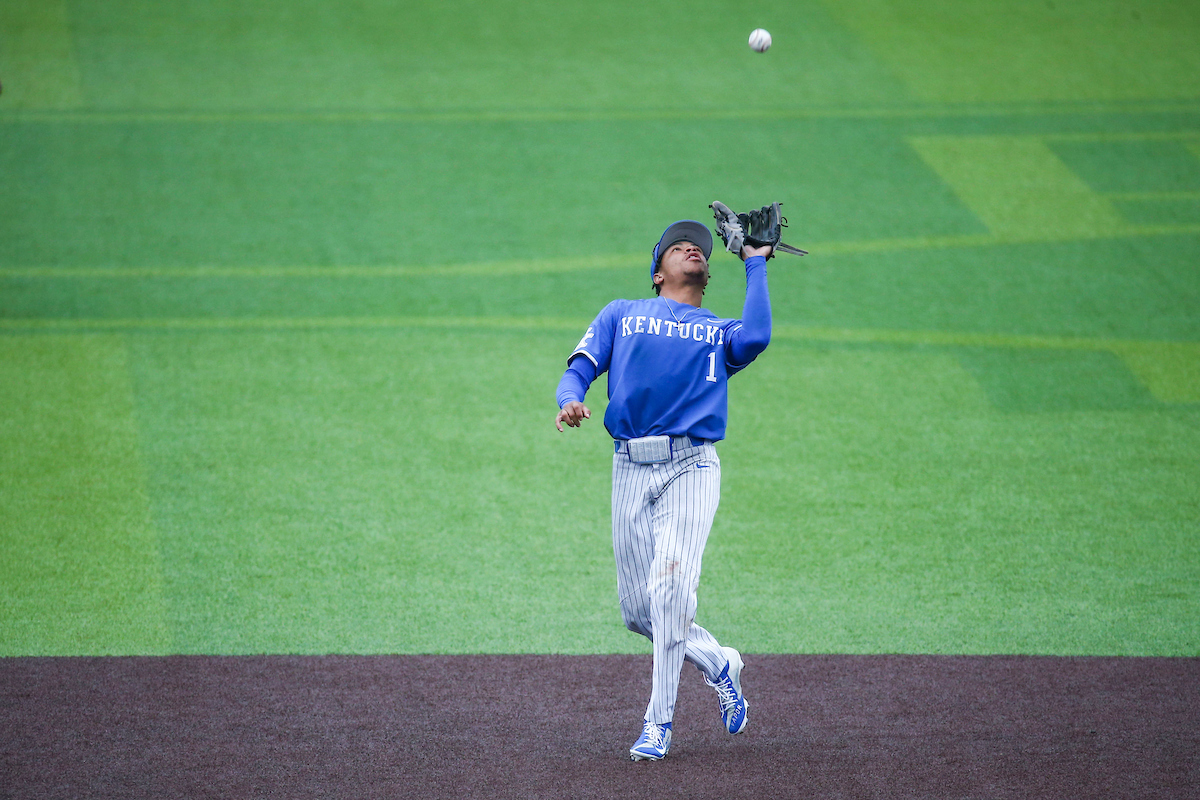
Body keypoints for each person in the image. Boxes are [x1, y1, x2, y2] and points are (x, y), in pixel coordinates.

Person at [554, 216, 773, 761]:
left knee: (671, 590)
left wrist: (754, 262)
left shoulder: (719, 334)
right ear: (657, 272)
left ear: (707, 273)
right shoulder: (621, 315)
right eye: (679, 247)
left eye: (700, 250)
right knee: (639, 612)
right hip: (629, 466)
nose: (693, 251)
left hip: (690, 467)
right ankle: (720, 662)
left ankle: (659, 724)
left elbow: (759, 335)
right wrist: (569, 398)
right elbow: (580, 366)